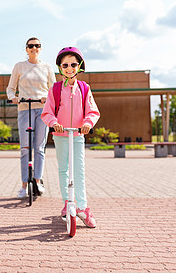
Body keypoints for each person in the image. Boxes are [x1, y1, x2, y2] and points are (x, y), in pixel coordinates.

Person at [41, 47, 100, 228]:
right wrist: (54, 122)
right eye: (65, 65)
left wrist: (88, 124)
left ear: (79, 66)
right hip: (61, 134)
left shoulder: (84, 87)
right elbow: (47, 112)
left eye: (73, 65)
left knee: (79, 170)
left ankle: (82, 206)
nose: (69, 68)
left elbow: (92, 110)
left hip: (77, 134)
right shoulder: (56, 88)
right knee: (64, 169)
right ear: (60, 67)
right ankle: (68, 202)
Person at [6, 37, 56, 198]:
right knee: (25, 148)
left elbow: (53, 90)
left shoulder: (47, 67)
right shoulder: (19, 66)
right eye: (31, 46)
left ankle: (38, 181)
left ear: (40, 48)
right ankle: (24, 185)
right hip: (24, 108)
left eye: (37, 46)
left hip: (42, 110)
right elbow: (11, 88)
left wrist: (47, 98)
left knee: (40, 148)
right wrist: (13, 97)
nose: (34, 48)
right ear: (26, 49)